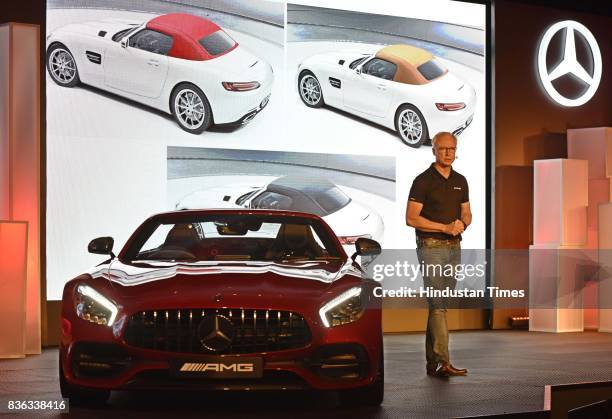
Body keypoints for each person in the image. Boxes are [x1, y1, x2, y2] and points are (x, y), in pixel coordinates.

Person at [405, 132, 471, 377]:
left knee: (439, 306)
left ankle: (432, 363)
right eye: (442, 149)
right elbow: (411, 218)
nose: (447, 153)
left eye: (451, 149)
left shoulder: (461, 180)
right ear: (433, 150)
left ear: (456, 150)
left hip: (454, 247)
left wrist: (461, 224)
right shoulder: (423, 181)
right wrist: (444, 227)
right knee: (439, 306)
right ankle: (444, 361)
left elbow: (467, 213)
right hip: (431, 246)